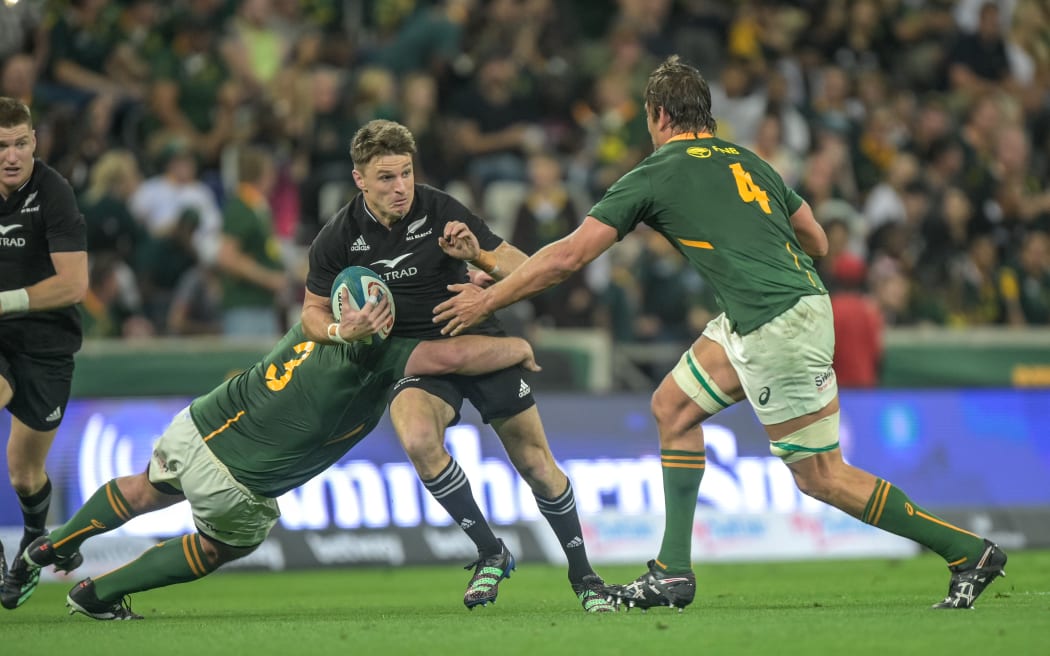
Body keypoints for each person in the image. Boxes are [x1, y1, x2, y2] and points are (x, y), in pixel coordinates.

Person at [434, 56, 1008, 611]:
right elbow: (817, 240)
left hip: (776, 321)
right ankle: (672, 572)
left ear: (658, 115)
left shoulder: (656, 172)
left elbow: (567, 258)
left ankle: (967, 553)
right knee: (673, 408)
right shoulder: (749, 161)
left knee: (821, 476)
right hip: (768, 310)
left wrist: (488, 292)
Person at [20, 299, 541, 620]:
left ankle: (53, 544)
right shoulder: (380, 351)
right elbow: (453, 357)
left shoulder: (314, 320)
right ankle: (98, 593)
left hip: (202, 420)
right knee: (222, 543)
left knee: (143, 487)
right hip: (240, 480)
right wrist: (517, 344)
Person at [300, 119, 613, 613]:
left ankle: (585, 577)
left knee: (536, 465)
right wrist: (343, 330)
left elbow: (525, 266)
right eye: (386, 178)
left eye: (405, 173)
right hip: (418, 359)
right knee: (420, 440)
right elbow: (311, 314)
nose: (400, 187)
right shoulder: (338, 237)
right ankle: (491, 551)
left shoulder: (440, 207)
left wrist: (482, 259)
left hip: (475, 339)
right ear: (359, 179)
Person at [0, 97, 88, 609]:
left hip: (46, 346)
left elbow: (74, 284)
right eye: (1, 146)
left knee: (23, 472)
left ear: (34, 141)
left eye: (20, 143)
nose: (12, 156)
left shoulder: (53, 192)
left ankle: (35, 544)